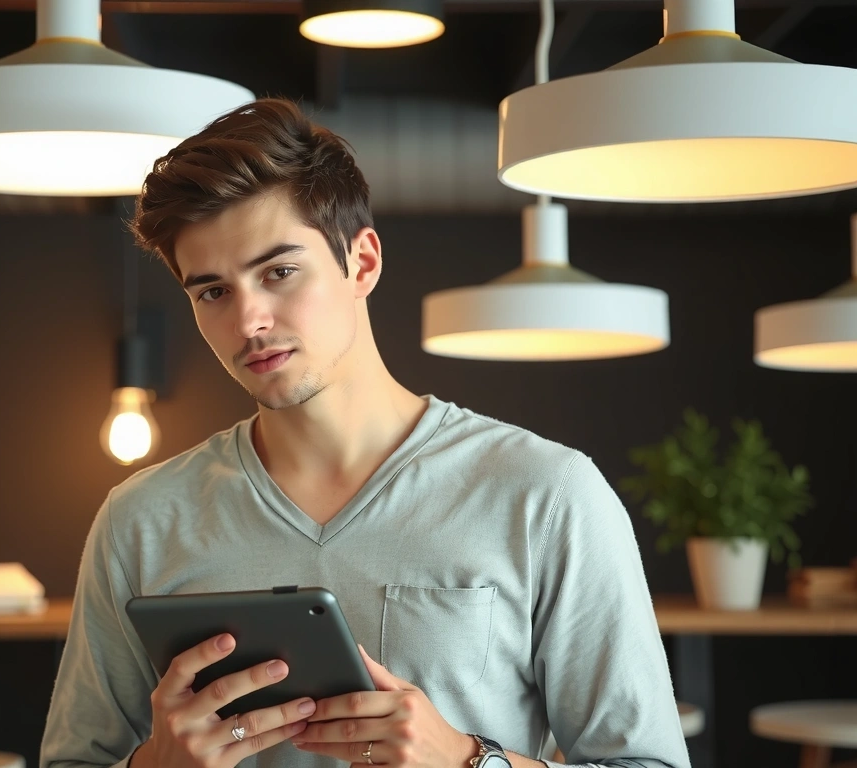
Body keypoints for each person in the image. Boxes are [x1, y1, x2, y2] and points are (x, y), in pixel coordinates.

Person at [40, 98, 690, 768]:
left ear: (363, 262)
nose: (249, 321)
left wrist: (471, 762)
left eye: (278, 272)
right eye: (212, 292)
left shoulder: (548, 495)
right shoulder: (141, 520)